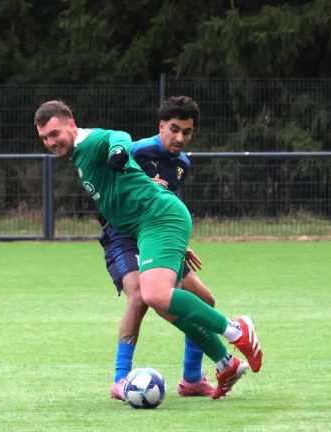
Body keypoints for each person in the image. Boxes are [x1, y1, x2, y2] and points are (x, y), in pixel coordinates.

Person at [34, 100, 263, 400]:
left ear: (71, 125)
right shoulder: (79, 154)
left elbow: (118, 136)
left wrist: (117, 152)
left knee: (155, 295)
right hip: (146, 229)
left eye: (54, 134)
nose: (51, 143)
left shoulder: (90, 140)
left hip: (159, 220)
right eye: (44, 139)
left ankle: (236, 330)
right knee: (168, 301)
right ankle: (223, 364)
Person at [99, 96, 218, 400]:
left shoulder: (182, 164)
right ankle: (120, 379)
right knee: (140, 297)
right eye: (174, 129)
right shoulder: (136, 151)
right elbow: (108, 193)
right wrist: (142, 187)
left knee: (204, 299)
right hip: (123, 235)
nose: (180, 138)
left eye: (187, 132)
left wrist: (178, 243)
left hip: (158, 238)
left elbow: (166, 207)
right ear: (161, 126)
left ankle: (192, 379)